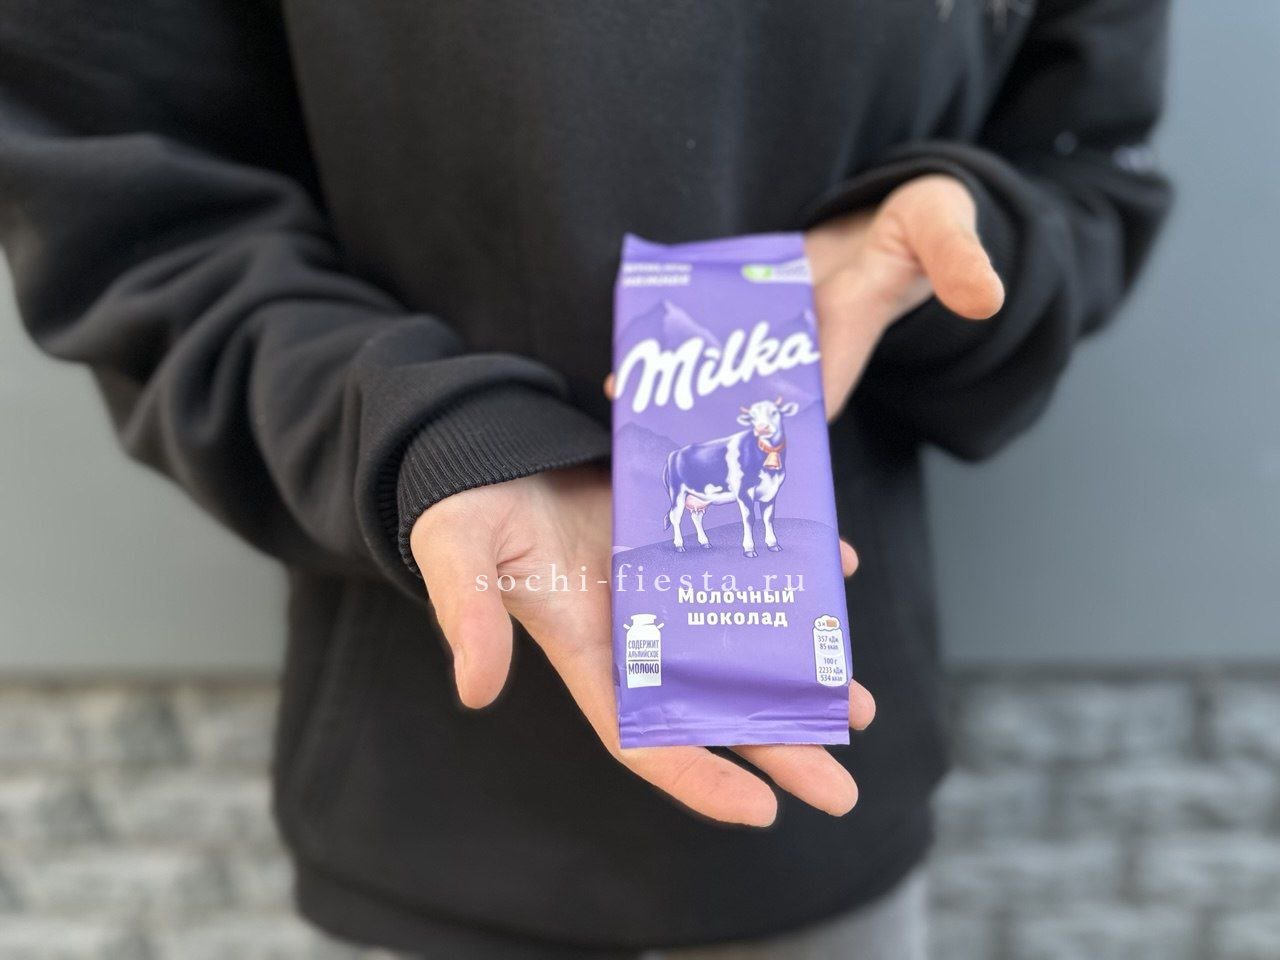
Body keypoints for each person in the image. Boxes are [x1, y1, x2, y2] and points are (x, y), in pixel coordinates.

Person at [0, 1, 1170, 957]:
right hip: (434, 791)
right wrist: (427, 436)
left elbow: (1088, 169)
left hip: (824, 788)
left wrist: (954, 251)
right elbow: (126, 202)